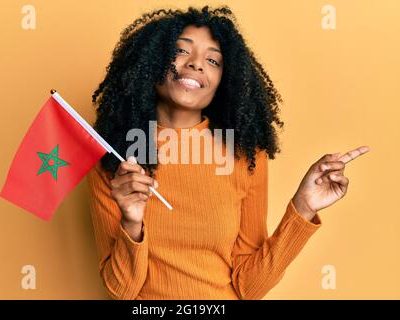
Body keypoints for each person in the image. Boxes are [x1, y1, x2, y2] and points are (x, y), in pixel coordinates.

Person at [86, 5, 370, 300]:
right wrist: (131, 223)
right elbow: (121, 291)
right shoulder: (115, 159)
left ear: (224, 80)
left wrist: (304, 207)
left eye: (213, 60)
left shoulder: (244, 156)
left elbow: (249, 287)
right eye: (181, 50)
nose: (197, 64)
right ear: (151, 61)